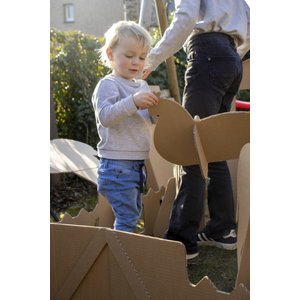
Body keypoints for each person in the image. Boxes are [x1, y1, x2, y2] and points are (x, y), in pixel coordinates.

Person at [143, 0, 250, 259]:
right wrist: (231, 53)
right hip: (231, 58)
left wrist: (153, 58)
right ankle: (222, 229)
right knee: (212, 146)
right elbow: (251, 26)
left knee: (189, 145)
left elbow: (186, 18)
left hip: (208, 53)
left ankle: (182, 239)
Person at [91, 21, 159, 232]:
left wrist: (158, 114)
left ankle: (122, 256)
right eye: (129, 56)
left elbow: (145, 120)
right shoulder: (108, 84)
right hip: (117, 164)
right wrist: (134, 102)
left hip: (137, 162)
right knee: (128, 218)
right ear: (111, 55)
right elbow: (106, 117)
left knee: (131, 213)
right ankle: (121, 259)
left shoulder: (141, 86)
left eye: (141, 57)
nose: (136, 62)